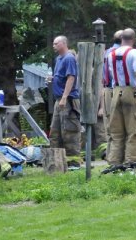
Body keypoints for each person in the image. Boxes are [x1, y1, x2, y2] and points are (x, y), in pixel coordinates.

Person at [105, 28, 136, 169]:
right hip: (131, 93)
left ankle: (115, 162)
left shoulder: (111, 54)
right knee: (135, 129)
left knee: (117, 131)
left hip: (115, 92)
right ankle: (132, 162)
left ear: (121, 39)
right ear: (133, 39)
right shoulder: (134, 53)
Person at [46, 35, 82, 170]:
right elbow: (61, 77)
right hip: (58, 100)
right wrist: (53, 78)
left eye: (56, 44)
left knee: (70, 131)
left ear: (63, 44)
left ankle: (74, 164)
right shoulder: (58, 59)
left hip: (68, 100)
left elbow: (71, 78)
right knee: (55, 132)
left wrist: (65, 97)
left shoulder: (69, 58)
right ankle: (56, 163)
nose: (53, 46)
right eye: (53, 44)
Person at [96, 29, 123, 157]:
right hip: (118, 90)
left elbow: (102, 80)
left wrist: (102, 105)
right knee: (121, 122)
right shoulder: (123, 53)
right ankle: (119, 152)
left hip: (107, 90)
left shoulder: (106, 53)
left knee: (109, 123)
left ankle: (111, 152)